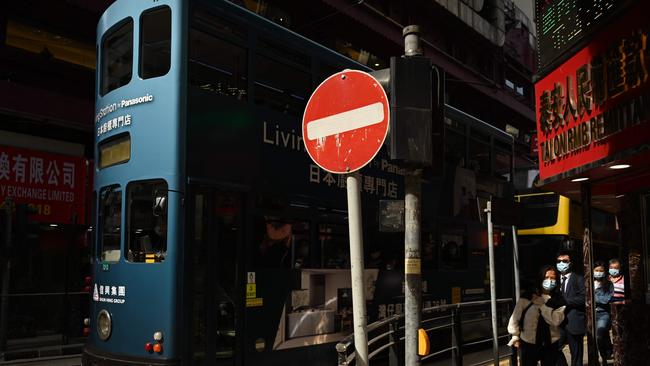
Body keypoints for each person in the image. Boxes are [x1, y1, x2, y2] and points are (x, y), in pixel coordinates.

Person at [508, 265, 566, 366]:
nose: (550, 280)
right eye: (546, 277)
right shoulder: (527, 296)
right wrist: (515, 336)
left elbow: (556, 320)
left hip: (550, 343)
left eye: (553, 278)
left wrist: (542, 305)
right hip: (528, 342)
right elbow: (515, 317)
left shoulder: (559, 300)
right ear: (540, 278)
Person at [555, 250, 585, 366]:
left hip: (574, 322)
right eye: (559, 261)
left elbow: (583, 298)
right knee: (554, 348)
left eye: (565, 261)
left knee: (576, 356)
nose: (561, 263)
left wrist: (564, 302)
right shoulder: (554, 279)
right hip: (558, 323)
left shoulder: (578, 278)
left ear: (570, 263)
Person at [593, 261, 613, 364]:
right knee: (594, 338)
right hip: (590, 314)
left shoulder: (609, 284)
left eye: (601, 271)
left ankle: (604, 357)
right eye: (596, 270)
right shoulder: (588, 283)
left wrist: (593, 296)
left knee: (599, 336)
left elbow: (606, 299)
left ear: (605, 272)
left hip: (603, 314)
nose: (598, 272)